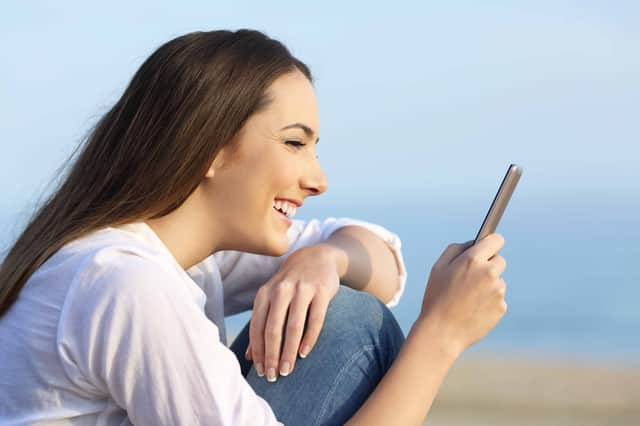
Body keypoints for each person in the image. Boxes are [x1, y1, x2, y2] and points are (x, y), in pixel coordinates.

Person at [0, 29, 508, 425]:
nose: (318, 179)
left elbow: (384, 268)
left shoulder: (184, 255)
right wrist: (440, 337)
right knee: (353, 323)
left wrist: (324, 259)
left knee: (347, 311)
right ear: (210, 148)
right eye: (294, 143)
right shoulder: (123, 280)